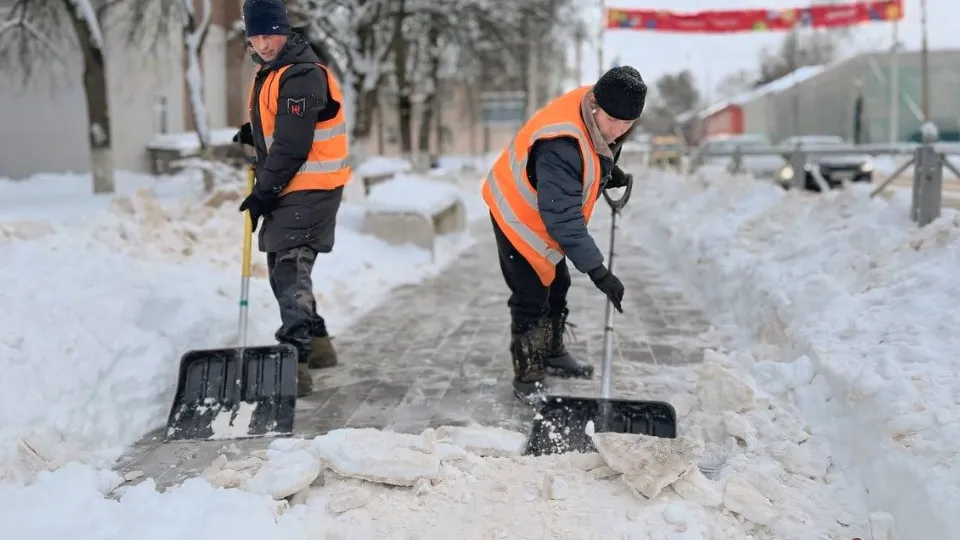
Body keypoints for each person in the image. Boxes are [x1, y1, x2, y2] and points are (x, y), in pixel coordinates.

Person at [481, 66, 646, 400]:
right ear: (596, 104)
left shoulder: (597, 107)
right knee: (531, 295)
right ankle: (528, 370)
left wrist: (608, 171)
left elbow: (591, 154)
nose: (616, 131)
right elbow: (564, 218)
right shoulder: (561, 145)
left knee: (558, 284)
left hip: (546, 211)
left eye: (626, 125)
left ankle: (552, 351)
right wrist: (600, 273)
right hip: (516, 214)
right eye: (611, 120)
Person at [233, 0, 349, 397]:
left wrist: (264, 193)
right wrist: (256, 135)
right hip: (295, 185)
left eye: (270, 34)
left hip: (311, 187)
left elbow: (295, 143)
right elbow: (284, 127)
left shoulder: (300, 73)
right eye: (256, 36)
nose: (264, 44)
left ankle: (294, 362)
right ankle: (318, 345)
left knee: (289, 269)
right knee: (285, 267)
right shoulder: (273, 70)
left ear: (286, 30)